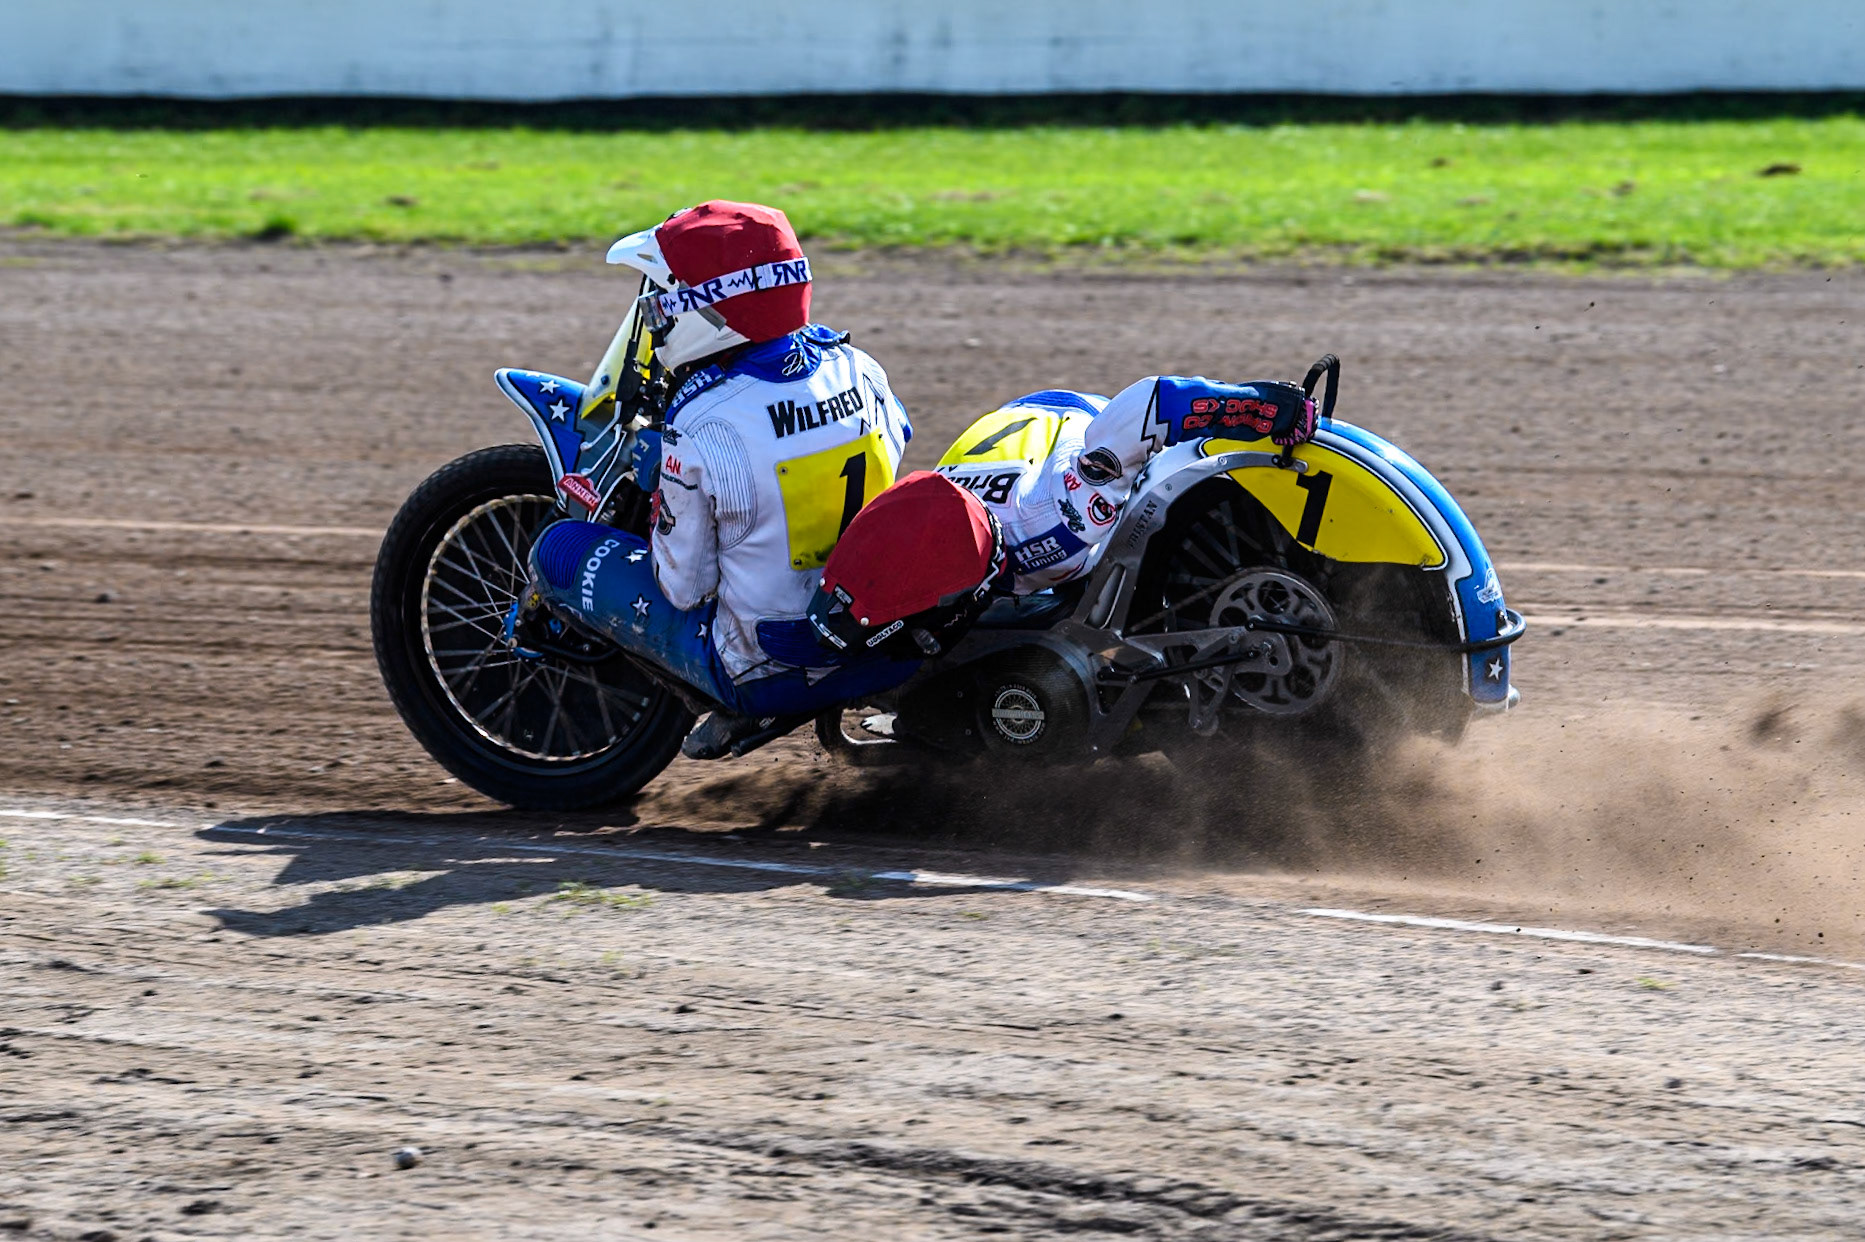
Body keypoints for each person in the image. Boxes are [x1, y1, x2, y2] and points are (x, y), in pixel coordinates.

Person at [524, 201, 920, 760]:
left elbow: (683, 586)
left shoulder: (703, 421)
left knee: (559, 549)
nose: (656, 314)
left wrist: (669, 491)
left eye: (663, 297)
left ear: (707, 312)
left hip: (766, 667)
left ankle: (725, 701)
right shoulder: (860, 367)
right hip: (868, 632)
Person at [933, 375, 1319, 598]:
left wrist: (1259, 408)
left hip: (1065, 430)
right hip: (1003, 465)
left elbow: (1152, 403)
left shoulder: (1062, 519)